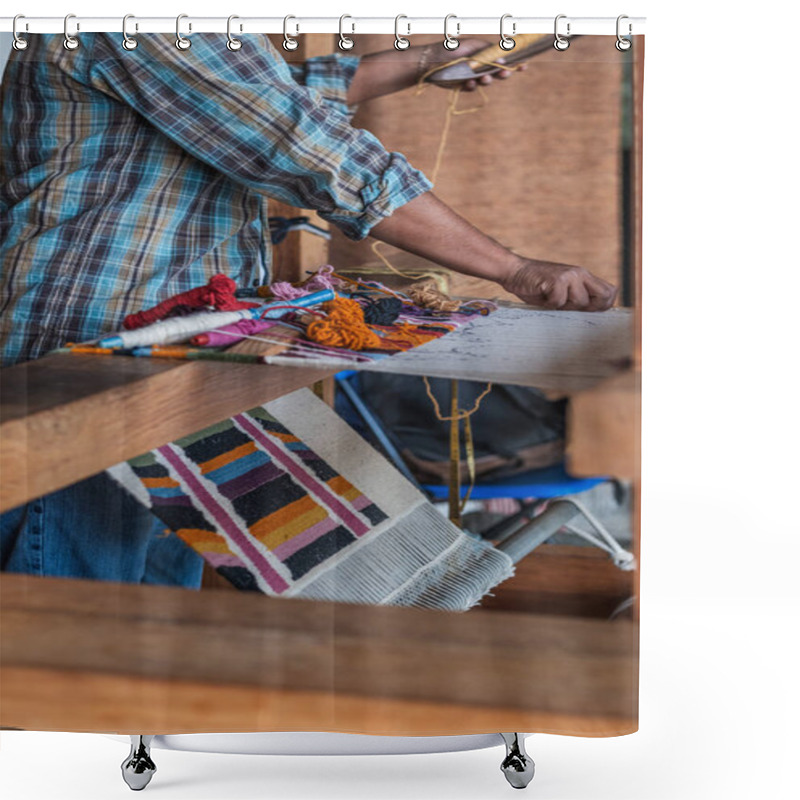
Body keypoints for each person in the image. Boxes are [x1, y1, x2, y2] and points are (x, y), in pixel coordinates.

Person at [0, 33, 617, 587]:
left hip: (178, 343)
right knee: (72, 604)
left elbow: (276, 91)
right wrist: (515, 269)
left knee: (155, 617)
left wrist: (431, 60)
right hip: (86, 343)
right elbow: (300, 145)